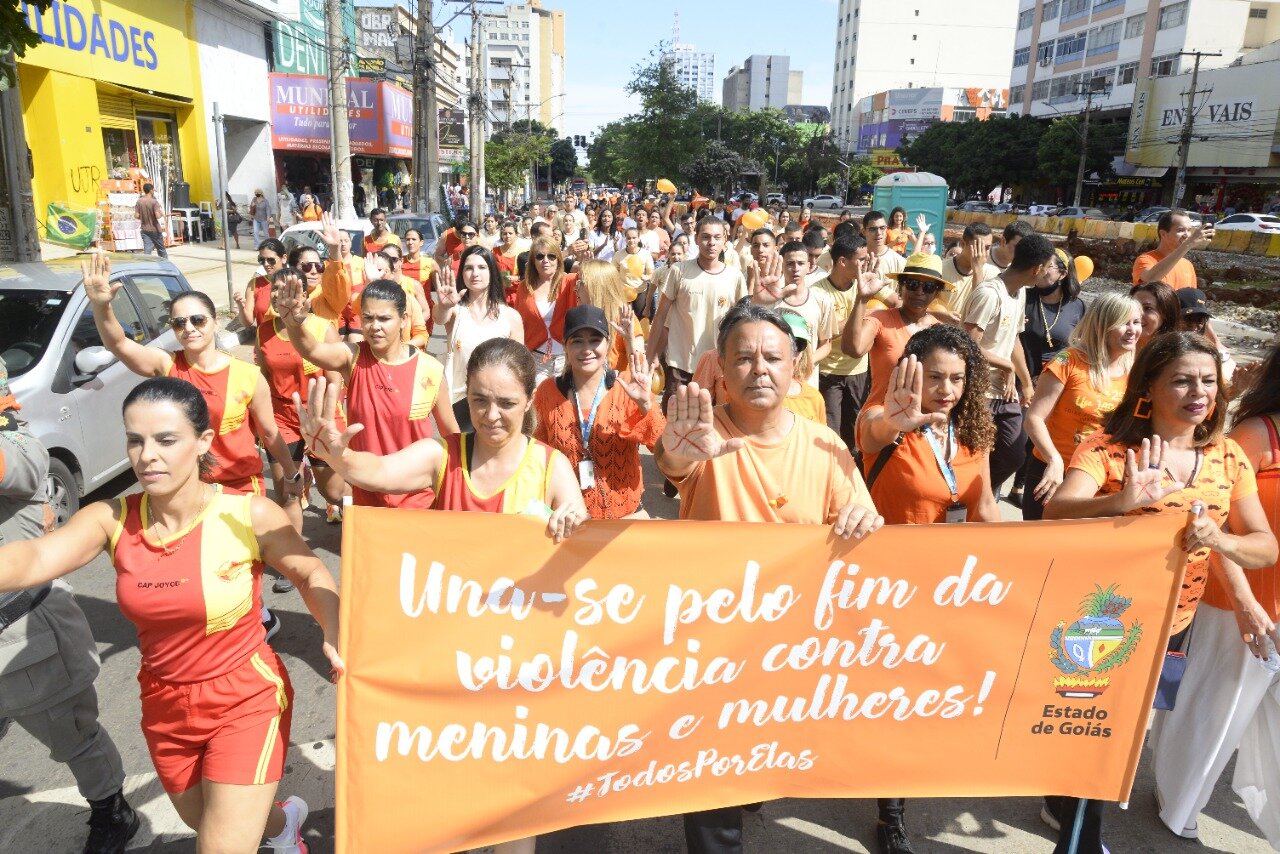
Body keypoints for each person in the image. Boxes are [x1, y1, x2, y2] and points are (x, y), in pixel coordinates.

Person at [0, 377, 344, 854]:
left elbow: (308, 572)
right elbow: (35, 559)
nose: (147, 456)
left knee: (220, 846)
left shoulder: (248, 513)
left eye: (165, 440)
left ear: (203, 441)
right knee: (210, 819)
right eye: (135, 440)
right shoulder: (111, 518)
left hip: (245, 697)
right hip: (164, 703)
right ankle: (281, 823)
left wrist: (333, 627)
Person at [653, 301, 882, 854]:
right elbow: (673, 461)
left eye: (773, 357)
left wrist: (865, 520)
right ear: (719, 369)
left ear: (796, 367)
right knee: (710, 782)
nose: (759, 369)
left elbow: (861, 525)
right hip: (712, 646)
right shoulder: (705, 436)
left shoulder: (826, 446)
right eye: (744, 358)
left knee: (759, 762)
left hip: (790, 650)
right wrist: (674, 454)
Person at [1045, 331, 1278, 854]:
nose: (1199, 392)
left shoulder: (1227, 456)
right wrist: (1120, 502)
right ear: (1148, 385)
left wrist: (1219, 539)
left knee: (1122, 731)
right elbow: (1056, 511)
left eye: (1209, 381)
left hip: (1175, 627)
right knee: (1102, 733)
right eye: (1182, 380)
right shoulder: (1108, 447)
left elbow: (1264, 547)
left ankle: (1065, 801)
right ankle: (1080, 841)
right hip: (1099, 622)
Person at [0, 358, 138, 853]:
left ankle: (111, 809)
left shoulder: (10, 437)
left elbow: (25, 466)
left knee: (71, 733)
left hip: (20, 630)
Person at [1149, 338, 1280, 847]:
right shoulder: (1254, 435)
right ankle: (1177, 806)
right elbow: (1210, 514)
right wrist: (1246, 605)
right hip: (1238, 602)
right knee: (1212, 713)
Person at [279, 275, 458, 509]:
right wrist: (294, 324)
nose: (375, 327)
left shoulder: (431, 370)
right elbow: (312, 349)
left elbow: (452, 438)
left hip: (418, 500)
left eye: (384, 318)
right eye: (368, 318)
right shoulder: (352, 357)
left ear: (404, 319)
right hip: (366, 497)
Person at [532, 305, 663, 519]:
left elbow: (660, 447)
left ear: (608, 344)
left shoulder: (628, 387)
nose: (587, 349)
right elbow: (539, 458)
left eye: (595, 340)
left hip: (625, 518)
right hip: (570, 522)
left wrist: (646, 406)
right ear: (565, 346)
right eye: (577, 341)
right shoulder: (547, 392)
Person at [1021, 293, 1142, 520]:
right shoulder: (1068, 361)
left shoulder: (1136, 373)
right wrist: (1053, 459)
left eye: (1136, 322)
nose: (1132, 330)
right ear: (1103, 325)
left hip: (1101, 481)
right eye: (1124, 323)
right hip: (1053, 474)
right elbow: (1033, 418)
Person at [962, 233, 1055, 497]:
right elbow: (968, 343)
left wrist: (1026, 383)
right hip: (979, 390)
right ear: (1037, 268)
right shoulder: (990, 294)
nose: (1048, 274)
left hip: (1006, 391)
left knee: (1014, 454)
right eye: (1047, 267)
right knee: (975, 452)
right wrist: (1006, 366)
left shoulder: (1020, 293)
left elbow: (1013, 338)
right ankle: (972, 501)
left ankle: (981, 495)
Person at [256, 267, 349, 526]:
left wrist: (325, 423)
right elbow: (262, 380)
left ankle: (364, 518)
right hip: (282, 419)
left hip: (321, 416)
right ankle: (294, 557)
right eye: (275, 288)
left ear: (303, 292)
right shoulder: (263, 331)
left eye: (288, 288)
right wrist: (259, 421)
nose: (280, 293)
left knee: (333, 491)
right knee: (288, 493)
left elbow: (335, 382)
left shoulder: (322, 329)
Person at [648, 217, 749, 411]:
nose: (711, 243)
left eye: (717, 237)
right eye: (705, 237)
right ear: (696, 239)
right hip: (680, 364)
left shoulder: (734, 276)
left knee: (712, 425)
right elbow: (661, 317)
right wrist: (650, 356)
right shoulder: (679, 271)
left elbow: (742, 322)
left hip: (718, 366)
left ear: (725, 239)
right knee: (675, 424)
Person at [843, 252, 949, 411]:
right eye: (913, 284)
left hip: (923, 422)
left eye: (928, 287)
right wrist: (862, 299)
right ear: (901, 286)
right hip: (882, 419)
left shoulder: (940, 331)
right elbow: (853, 349)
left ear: (936, 293)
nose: (919, 292)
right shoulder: (880, 319)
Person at [434, 246, 524, 430]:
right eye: (469, 268)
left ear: (492, 272)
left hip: (498, 404)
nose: (475, 273)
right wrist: (443, 305)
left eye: (482, 267)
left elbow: (519, 367)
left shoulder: (511, 317)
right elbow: (439, 317)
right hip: (459, 402)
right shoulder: (456, 311)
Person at [813, 234, 875, 450]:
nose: (866, 263)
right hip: (829, 373)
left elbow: (896, 302)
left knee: (857, 430)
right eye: (861, 259)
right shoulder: (818, 293)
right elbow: (824, 332)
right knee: (831, 433)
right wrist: (861, 312)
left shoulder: (866, 282)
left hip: (859, 371)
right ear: (842, 261)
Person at [750, 240, 834, 388]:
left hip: (806, 384)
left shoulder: (822, 300)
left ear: (809, 266)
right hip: (772, 382)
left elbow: (826, 344)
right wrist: (757, 301)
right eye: (790, 264)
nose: (795, 268)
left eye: (801, 263)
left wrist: (805, 362)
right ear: (781, 266)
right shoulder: (770, 301)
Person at [1133, 209, 1213, 291]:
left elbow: (1191, 297)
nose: (1187, 235)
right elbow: (1149, 281)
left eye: (1189, 230)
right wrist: (1187, 245)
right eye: (1181, 230)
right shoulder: (1145, 259)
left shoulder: (1188, 265)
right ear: (1163, 234)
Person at [935, 223, 999, 322]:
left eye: (987, 248)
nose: (982, 253)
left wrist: (977, 269)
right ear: (962, 244)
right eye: (978, 247)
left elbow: (981, 306)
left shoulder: (993, 274)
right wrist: (941, 314)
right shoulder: (940, 268)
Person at [235, 238, 287, 330]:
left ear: (283, 258)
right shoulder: (254, 284)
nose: (266, 264)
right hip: (263, 342)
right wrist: (241, 307)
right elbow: (248, 322)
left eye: (271, 260)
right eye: (262, 260)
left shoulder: (294, 281)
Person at [1130, 280, 1181, 350]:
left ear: (1166, 314)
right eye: (1134, 306)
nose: (1138, 314)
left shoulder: (1177, 355)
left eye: (1147, 308)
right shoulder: (1115, 348)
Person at [401, 228, 437, 321]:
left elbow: (439, 287)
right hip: (403, 311)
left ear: (421, 242)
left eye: (414, 239)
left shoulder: (430, 263)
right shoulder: (399, 262)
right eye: (408, 239)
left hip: (423, 311)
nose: (410, 242)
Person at [615, 226, 655, 300]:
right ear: (625, 239)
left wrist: (646, 277)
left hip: (640, 290)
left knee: (640, 312)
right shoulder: (618, 254)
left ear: (639, 239)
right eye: (628, 238)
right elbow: (613, 272)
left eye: (634, 238)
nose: (631, 240)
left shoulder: (646, 254)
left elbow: (651, 273)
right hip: (623, 291)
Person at [136, 183, 167, 258]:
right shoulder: (154, 202)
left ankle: (147, 265)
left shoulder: (139, 201)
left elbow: (136, 216)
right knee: (161, 249)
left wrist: (144, 216)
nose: (153, 191)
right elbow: (157, 216)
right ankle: (165, 264)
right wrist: (162, 214)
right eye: (153, 190)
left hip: (144, 229)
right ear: (151, 190)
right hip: (155, 229)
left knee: (147, 250)